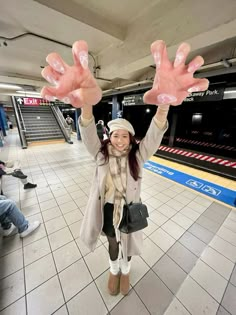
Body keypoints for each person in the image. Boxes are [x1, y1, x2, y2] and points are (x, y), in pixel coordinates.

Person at [41, 40, 209, 296]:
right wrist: (86, 103)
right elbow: (87, 131)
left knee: (128, 243)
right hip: (107, 209)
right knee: (111, 240)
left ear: (131, 139)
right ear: (110, 137)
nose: (119, 140)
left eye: (124, 136)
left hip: (130, 211)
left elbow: (154, 135)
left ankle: (126, 270)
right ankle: (113, 269)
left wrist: (164, 104)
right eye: (115, 135)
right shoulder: (100, 155)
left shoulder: (138, 157)